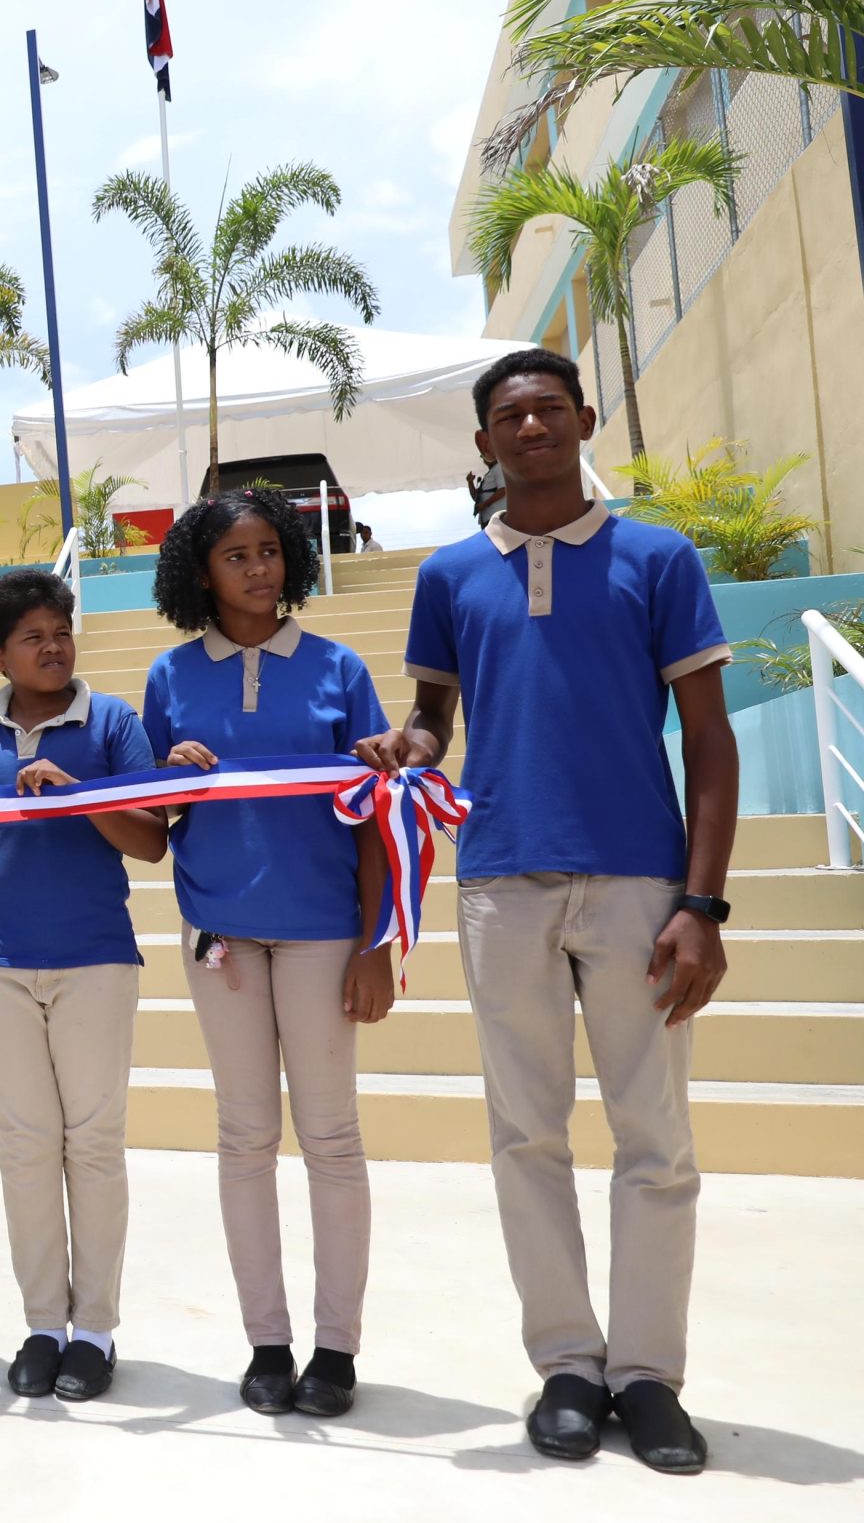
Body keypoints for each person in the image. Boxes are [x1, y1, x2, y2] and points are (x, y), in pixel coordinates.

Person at [360, 347, 736, 1475]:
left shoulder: (657, 558)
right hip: (497, 881)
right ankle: (568, 1366)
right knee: (525, 1136)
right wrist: (405, 744)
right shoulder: (447, 577)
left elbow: (708, 744)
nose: (529, 426)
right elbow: (435, 719)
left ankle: (649, 1377)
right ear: (483, 445)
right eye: (507, 415)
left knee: (653, 1140)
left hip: (636, 882)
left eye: (547, 409)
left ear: (580, 422)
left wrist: (701, 902)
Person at [142, 493, 393, 1418]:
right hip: (222, 935)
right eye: (234, 555)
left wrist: (375, 943)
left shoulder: (338, 667)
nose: (257, 569)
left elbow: (371, 814)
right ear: (199, 573)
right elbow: (160, 821)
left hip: (325, 930)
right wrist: (167, 781)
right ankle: (268, 1341)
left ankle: (336, 1346)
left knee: (330, 1135)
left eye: (268, 550)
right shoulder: (170, 678)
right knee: (245, 1138)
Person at [0, 573, 165, 1403]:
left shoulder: (112, 721)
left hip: (96, 958)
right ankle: (43, 1323)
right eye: (32, 636)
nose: (53, 646)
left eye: (61, 630)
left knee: (95, 1142)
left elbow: (149, 841)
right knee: (26, 1145)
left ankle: (97, 1328)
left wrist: (78, 796)